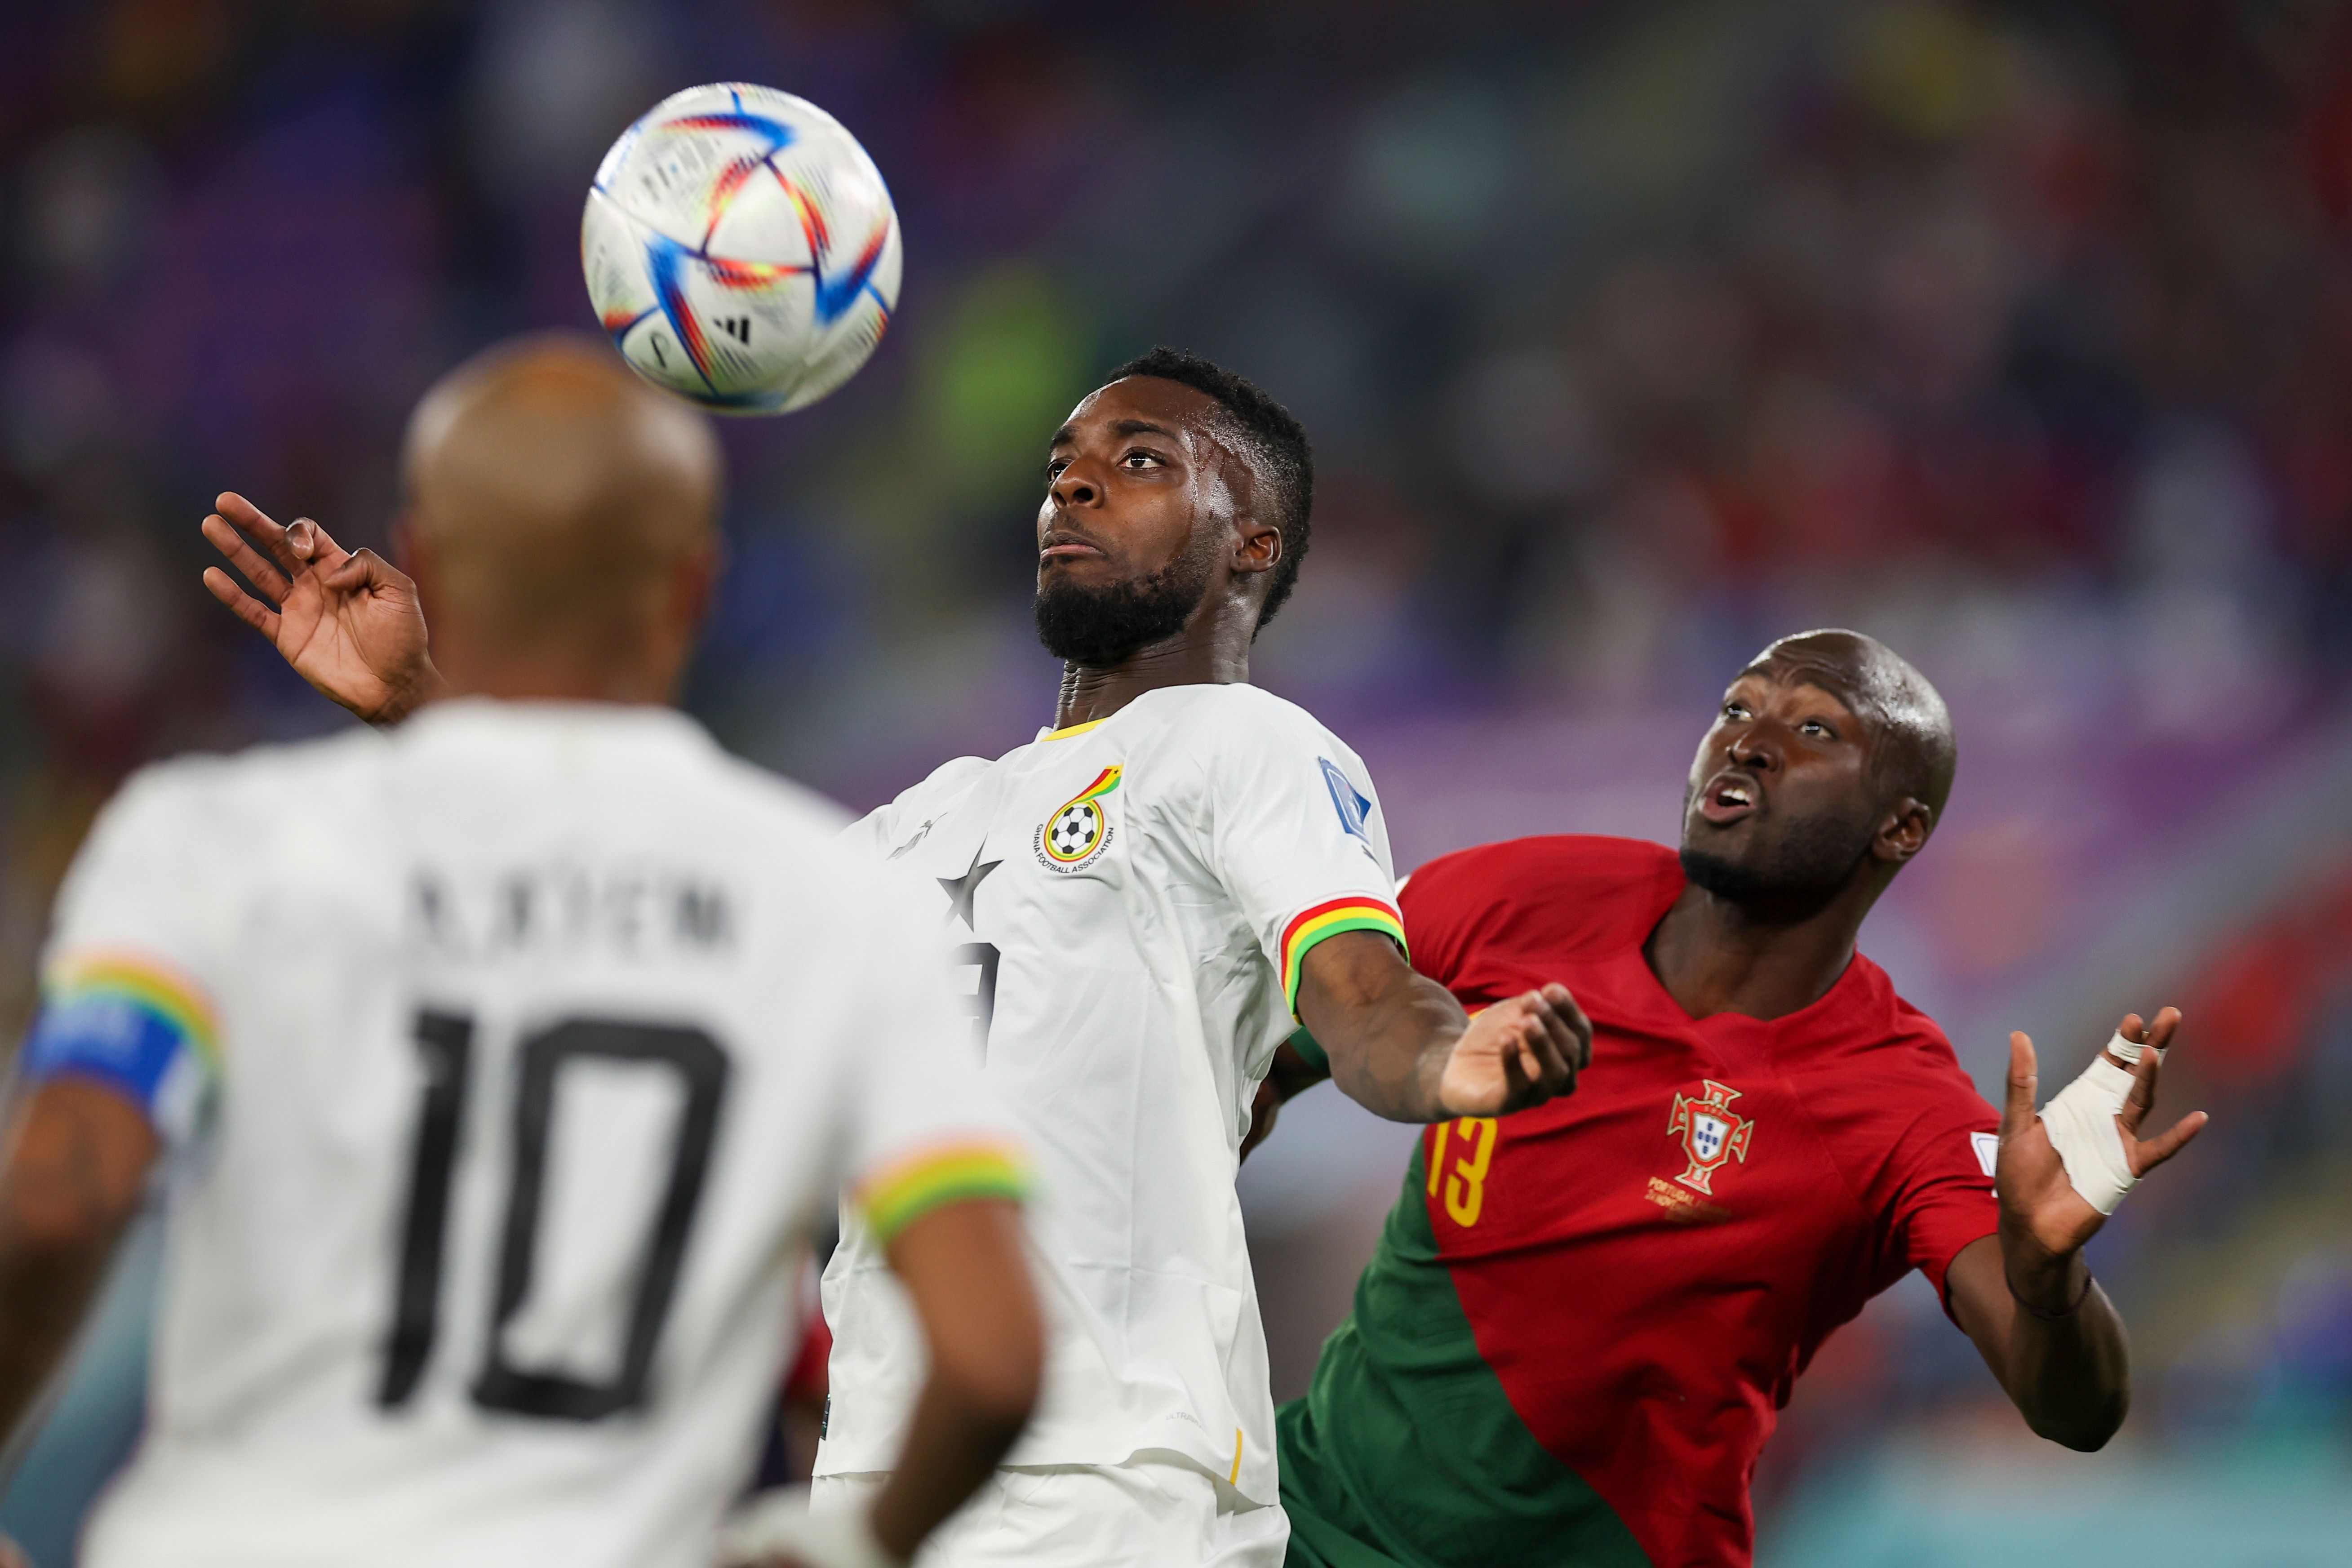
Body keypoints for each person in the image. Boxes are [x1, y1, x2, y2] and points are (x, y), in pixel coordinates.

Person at [198, 344, 1594, 1567]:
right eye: (1063, 464)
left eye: (1140, 459)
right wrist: (429, 708)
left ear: (1254, 545)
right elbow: (662, 922)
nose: (1074, 486)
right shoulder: (925, 818)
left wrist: (1444, 1056)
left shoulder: (1253, 747)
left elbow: (1358, 993)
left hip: (1113, 1486)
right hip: (886, 1483)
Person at [0, 333, 1044, 1568]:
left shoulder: (205, 842)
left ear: (426, 557)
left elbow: (62, 1203)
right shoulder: (840, 903)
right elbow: (990, 1358)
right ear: (695, 588)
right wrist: (840, 1551)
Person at [1263, 629, 2207, 1568]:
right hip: (1304, 1515)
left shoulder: (1900, 1102)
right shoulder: (1515, 895)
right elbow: (1267, 1052)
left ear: (1899, 826)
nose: (1749, 740)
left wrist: (2049, 1281)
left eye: (1816, 731)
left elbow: (2076, 1410)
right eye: (1738, 708)